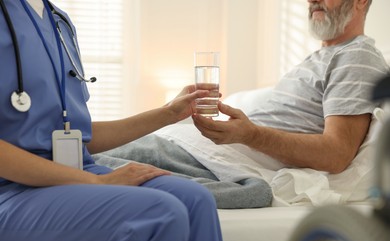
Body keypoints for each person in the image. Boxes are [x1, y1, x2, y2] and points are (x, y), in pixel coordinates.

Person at [0, 0, 225, 241]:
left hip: (71, 175)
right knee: (159, 213)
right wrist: (97, 181)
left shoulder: (57, 20)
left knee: (196, 199)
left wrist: (168, 113)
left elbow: (77, 136)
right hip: (11, 189)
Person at [100, 0, 389, 184]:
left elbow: (336, 155)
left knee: (84, 162)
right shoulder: (321, 57)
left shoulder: (357, 56)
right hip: (198, 150)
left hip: (217, 160)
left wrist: (248, 134)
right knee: (83, 158)